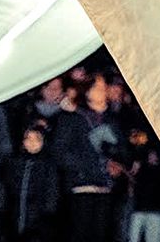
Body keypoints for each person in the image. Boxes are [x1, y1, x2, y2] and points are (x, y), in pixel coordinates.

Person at [50, 75, 120, 242]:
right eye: (98, 87)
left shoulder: (113, 119)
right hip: (82, 187)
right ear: (87, 92)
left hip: (106, 187)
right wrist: (86, 166)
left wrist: (118, 163)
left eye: (104, 87)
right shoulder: (73, 118)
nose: (103, 91)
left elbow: (122, 149)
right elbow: (59, 152)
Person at [4, 127, 58, 242]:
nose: (32, 143)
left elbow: (52, 193)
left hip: (38, 221)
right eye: (28, 138)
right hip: (16, 217)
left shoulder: (48, 164)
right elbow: (8, 189)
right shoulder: (15, 161)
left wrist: (45, 218)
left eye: (37, 139)